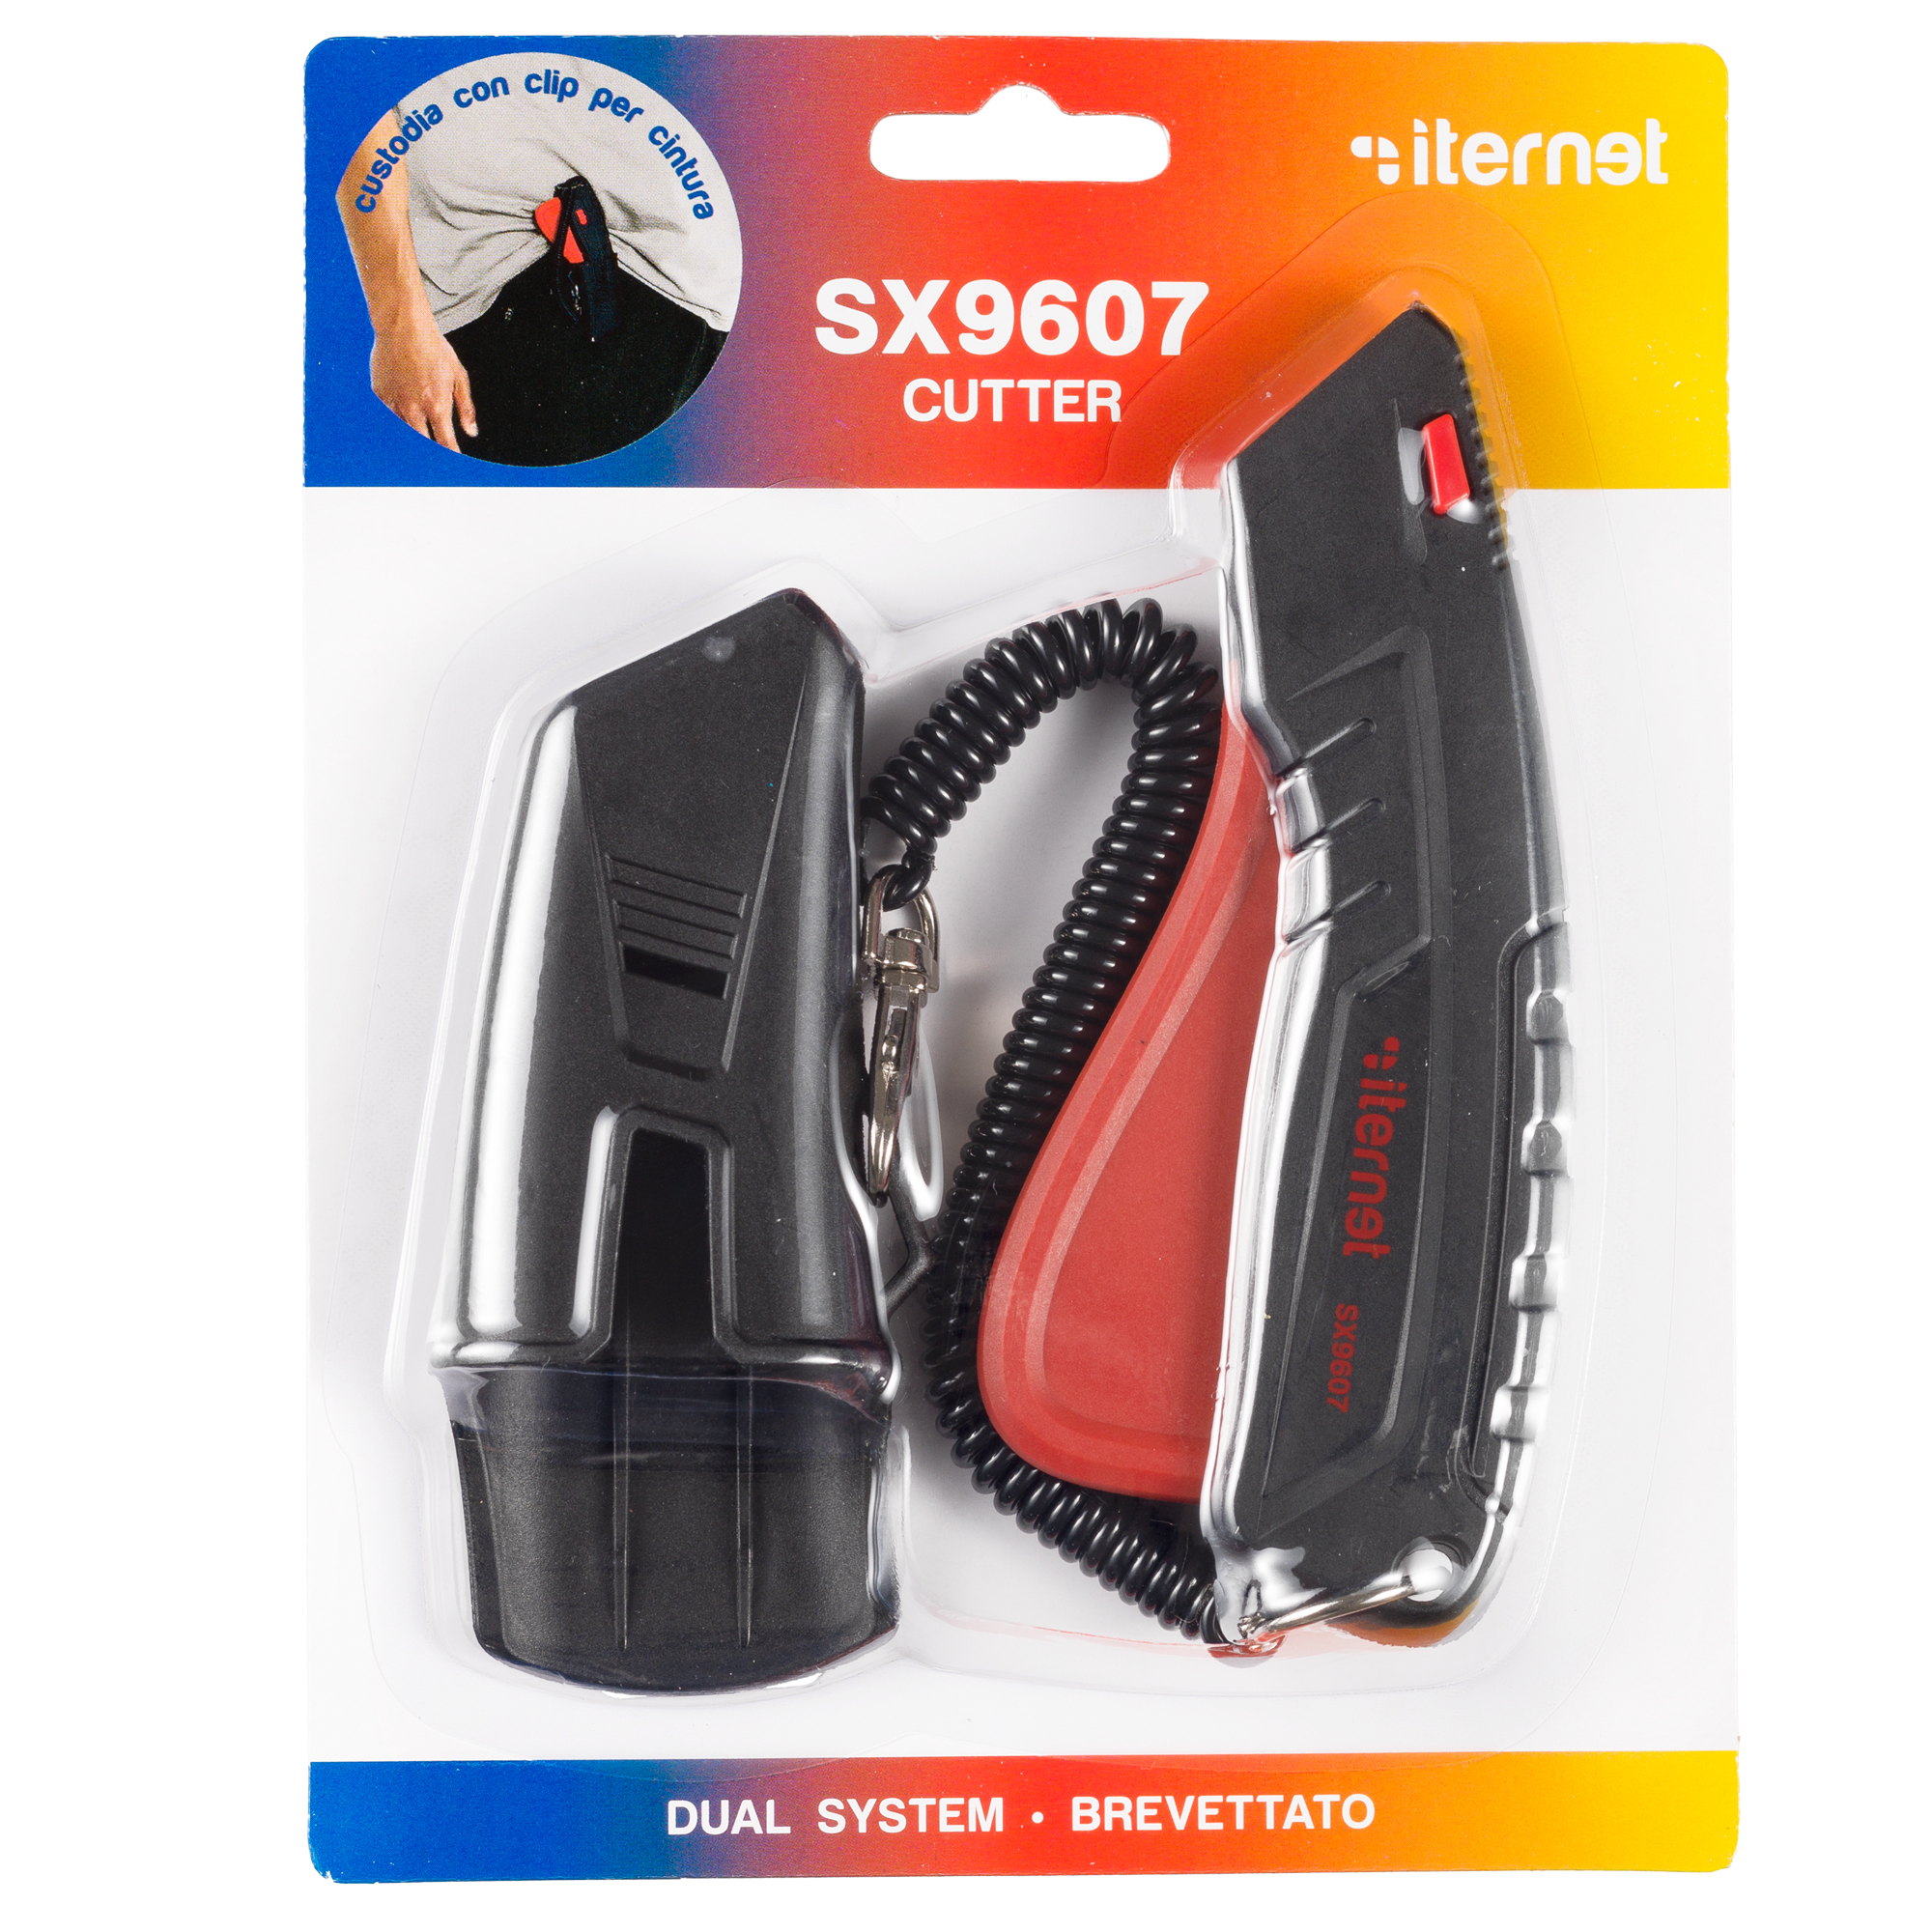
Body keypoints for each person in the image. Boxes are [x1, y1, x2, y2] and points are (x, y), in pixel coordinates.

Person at [335, 60, 741, 465]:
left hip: (673, 281)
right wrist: (401, 326)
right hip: (535, 281)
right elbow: (350, 90)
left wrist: (400, 327)